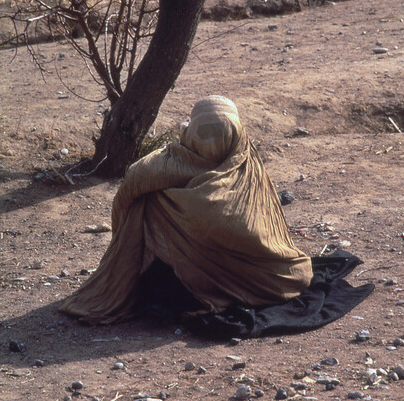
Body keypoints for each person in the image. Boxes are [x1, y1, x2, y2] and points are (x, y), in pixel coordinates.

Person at [59, 95, 313, 325]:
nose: (213, 141)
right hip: (239, 279)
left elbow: (125, 197)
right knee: (149, 202)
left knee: (151, 203)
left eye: (221, 132)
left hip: (228, 273)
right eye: (206, 132)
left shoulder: (167, 167)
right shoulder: (242, 166)